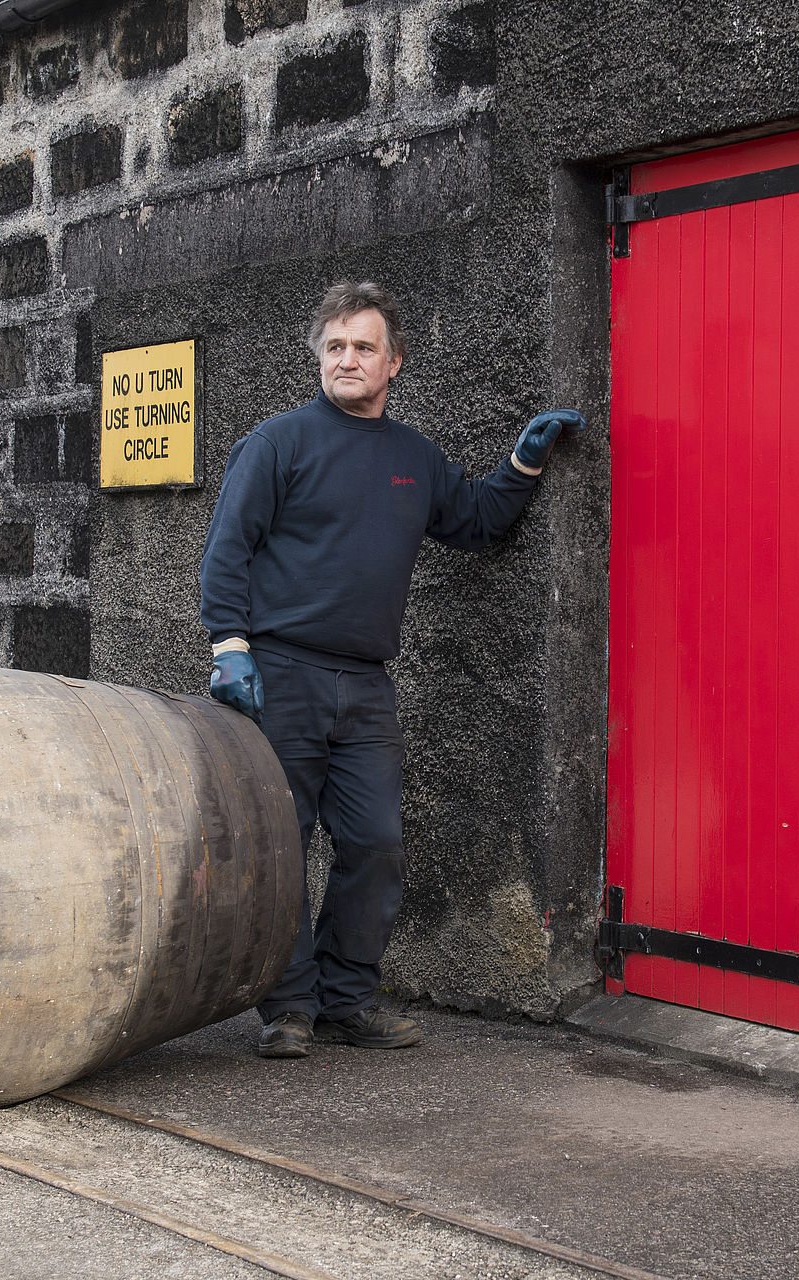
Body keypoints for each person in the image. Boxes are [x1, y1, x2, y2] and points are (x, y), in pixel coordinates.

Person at [198, 281, 585, 1059]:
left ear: (394, 362)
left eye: (363, 347)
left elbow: (474, 521)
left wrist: (522, 463)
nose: (347, 359)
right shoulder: (276, 444)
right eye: (334, 346)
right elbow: (226, 548)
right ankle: (289, 1008)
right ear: (318, 357)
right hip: (283, 675)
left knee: (375, 843)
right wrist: (230, 646)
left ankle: (346, 1000)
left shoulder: (414, 458)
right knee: (284, 842)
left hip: (366, 684)